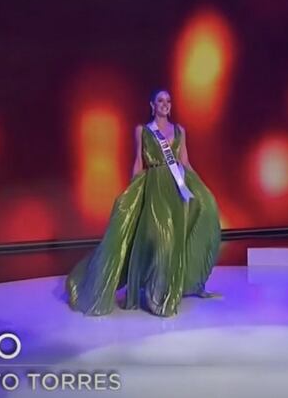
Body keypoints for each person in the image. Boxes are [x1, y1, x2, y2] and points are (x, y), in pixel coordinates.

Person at [67, 89, 221, 317]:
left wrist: (201, 189)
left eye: (168, 101)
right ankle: (155, 295)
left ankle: (166, 294)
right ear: (152, 105)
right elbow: (139, 162)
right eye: (160, 100)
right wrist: (132, 192)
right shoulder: (143, 131)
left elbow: (185, 162)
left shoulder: (180, 131)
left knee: (174, 241)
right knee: (161, 238)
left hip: (176, 189)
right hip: (154, 188)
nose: (165, 104)